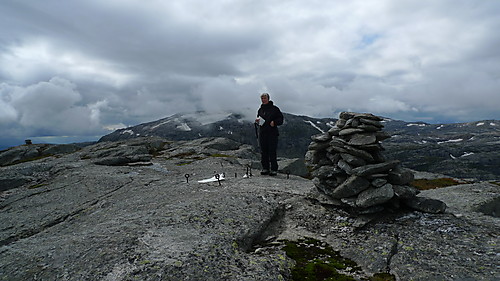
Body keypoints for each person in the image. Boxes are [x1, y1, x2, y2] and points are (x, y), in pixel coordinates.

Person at [255, 93, 284, 176]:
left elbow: (281, 119)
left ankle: (274, 169)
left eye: (264, 98)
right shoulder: (260, 110)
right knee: (264, 151)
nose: (263, 100)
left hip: (272, 133)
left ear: (268, 99)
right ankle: (265, 168)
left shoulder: (274, 109)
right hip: (263, 132)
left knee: (272, 151)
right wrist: (257, 121)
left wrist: (274, 122)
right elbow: (259, 118)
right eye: (262, 98)